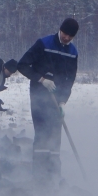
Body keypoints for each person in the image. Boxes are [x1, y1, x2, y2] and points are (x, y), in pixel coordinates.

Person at [17, 18, 79, 184]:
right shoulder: (44, 44)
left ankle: (54, 175)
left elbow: (70, 79)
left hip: (56, 101)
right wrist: (41, 79)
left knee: (55, 138)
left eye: (70, 36)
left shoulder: (73, 52)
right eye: (65, 34)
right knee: (43, 136)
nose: (66, 38)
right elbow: (22, 65)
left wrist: (63, 101)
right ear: (60, 30)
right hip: (39, 98)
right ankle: (39, 176)